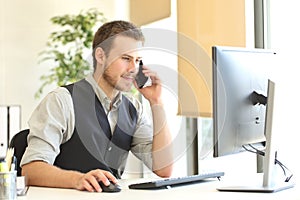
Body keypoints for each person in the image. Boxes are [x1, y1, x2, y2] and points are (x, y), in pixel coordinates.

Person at [20, 20, 173, 192]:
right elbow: (30, 169)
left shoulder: (134, 109)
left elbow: (163, 169)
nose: (133, 68)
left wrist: (156, 102)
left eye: (137, 60)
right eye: (125, 58)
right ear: (100, 56)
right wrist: (78, 179)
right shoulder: (62, 100)